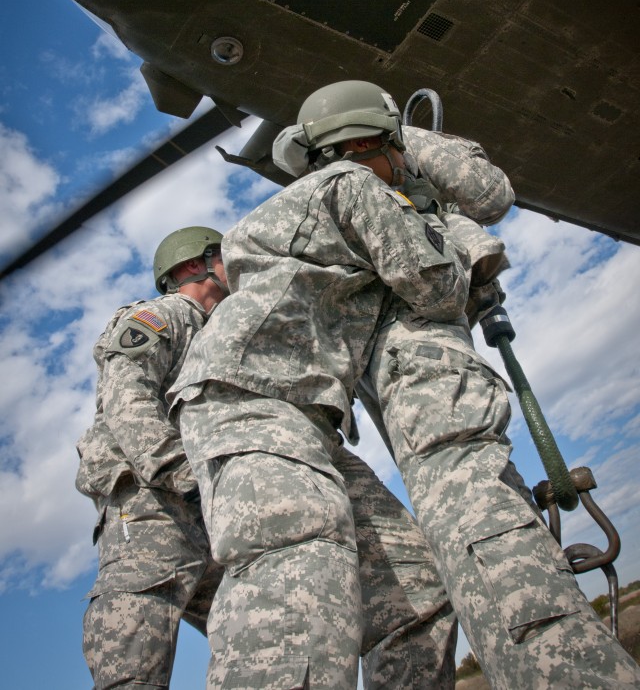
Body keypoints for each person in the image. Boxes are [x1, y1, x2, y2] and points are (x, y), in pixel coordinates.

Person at [284, 80, 640, 690]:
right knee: (486, 524)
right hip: (425, 359)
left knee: (475, 516)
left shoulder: (310, 197)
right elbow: (490, 194)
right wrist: (415, 143)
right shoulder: (385, 166)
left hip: (385, 370)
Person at [169, 91, 470, 689]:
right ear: (368, 143)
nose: (404, 164)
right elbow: (436, 288)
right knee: (299, 579)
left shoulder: (318, 204)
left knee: (416, 587)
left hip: (307, 421)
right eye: (398, 151)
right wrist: (448, 227)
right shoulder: (350, 185)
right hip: (250, 402)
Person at [76, 226, 227, 689]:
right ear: (191, 267)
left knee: (263, 633)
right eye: (224, 256)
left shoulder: (218, 335)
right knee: (135, 662)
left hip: (209, 519)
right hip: (150, 508)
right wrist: (182, 473)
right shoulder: (162, 316)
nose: (235, 264)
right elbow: (127, 397)